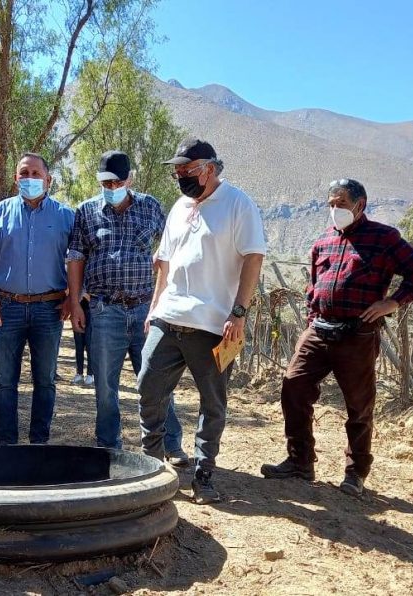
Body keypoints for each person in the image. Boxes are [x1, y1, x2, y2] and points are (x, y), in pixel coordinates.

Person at [261, 178, 413, 496]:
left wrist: (392, 302)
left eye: (340, 203)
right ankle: (300, 461)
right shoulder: (323, 242)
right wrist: (312, 320)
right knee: (294, 386)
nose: (334, 210)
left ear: (360, 204)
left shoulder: (384, 238)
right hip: (319, 329)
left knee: (359, 405)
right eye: (330, 204)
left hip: (358, 335)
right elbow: (314, 288)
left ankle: (355, 472)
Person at [137, 138, 266, 504]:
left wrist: (239, 313)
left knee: (213, 401)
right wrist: (153, 306)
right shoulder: (179, 207)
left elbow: (253, 259)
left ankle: (204, 474)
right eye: (177, 171)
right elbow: (164, 262)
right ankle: (151, 460)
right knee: (148, 384)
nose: (180, 176)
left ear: (209, 167)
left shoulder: (238, 204)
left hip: (214, 325)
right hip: (168, 316)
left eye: (187, 170)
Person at [68, 150, 188, 465]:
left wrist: (167, 300)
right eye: (106, 182)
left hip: (146, 310)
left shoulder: (151, 207)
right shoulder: (86, 211)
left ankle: (171, 446)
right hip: (104, 310)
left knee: (155, 382)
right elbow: (76, 256)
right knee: (106, 387)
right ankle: (109, 446)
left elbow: (170, 251)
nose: (112, 187)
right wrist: (75, 302)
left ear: (130, 179)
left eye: (118, 181)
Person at [0, 153, 74, 445]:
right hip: (8, 308)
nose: (29, 179)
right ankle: (7, 444)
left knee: (45, 380)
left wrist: (73, 297)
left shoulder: (66, 216)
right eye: (24, 173)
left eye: (35, 173)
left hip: (49, 309)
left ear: (48, 179)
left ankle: (39, 442)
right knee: (5, 381)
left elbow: (81, 258)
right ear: (16, 178)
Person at [72, 292, 94, 385]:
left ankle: (90, 374)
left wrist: (85, 295)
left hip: (91, 313)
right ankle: (79, 373)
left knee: (90, 346)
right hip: (78, 313)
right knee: (79, 346)